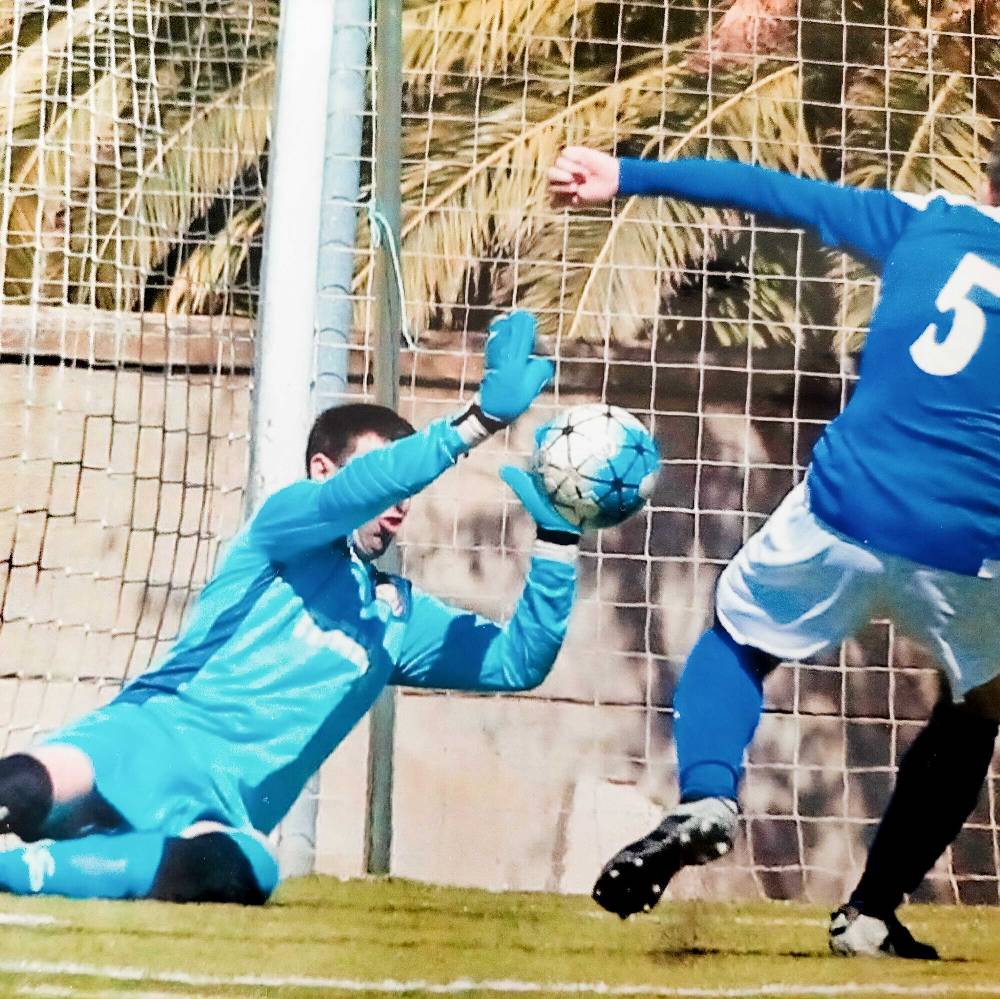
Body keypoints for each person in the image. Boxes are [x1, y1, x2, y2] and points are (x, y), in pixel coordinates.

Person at [548, 142, 1000, 958]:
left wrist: (630, 175)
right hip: (975, 544)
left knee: (738, 638)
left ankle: (709, 795)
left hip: (847, 506)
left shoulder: (924, 224)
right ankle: (868, 913)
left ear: (988, 179)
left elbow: (772, 190)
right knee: (979, 707)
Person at [0, 310, 584, 904]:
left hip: (218, 809)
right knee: (27, 784)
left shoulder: (397, 618)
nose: (397, 504)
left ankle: (27, 870)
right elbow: (358, 492)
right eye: (385, 484)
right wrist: (475, 422)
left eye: (406, 493)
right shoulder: (282, 527)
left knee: (248, 869)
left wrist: (559, 542)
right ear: (321, 471)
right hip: (140, 740)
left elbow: (517, 661)